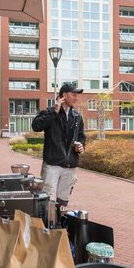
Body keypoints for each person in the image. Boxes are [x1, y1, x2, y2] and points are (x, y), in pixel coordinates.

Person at [31, 83, 86, 213]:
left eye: (76, 95)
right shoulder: (50, 112)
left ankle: (59, 226)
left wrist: (81, 146)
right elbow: (36, 126)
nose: (76, 98)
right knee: (47, 200)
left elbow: (81, 137)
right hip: (52, 164)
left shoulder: (77, 117)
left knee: (63, 202)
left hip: (70, 166)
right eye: (73, 94)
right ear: (64, 95)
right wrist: (54, 111)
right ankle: (46, 229)